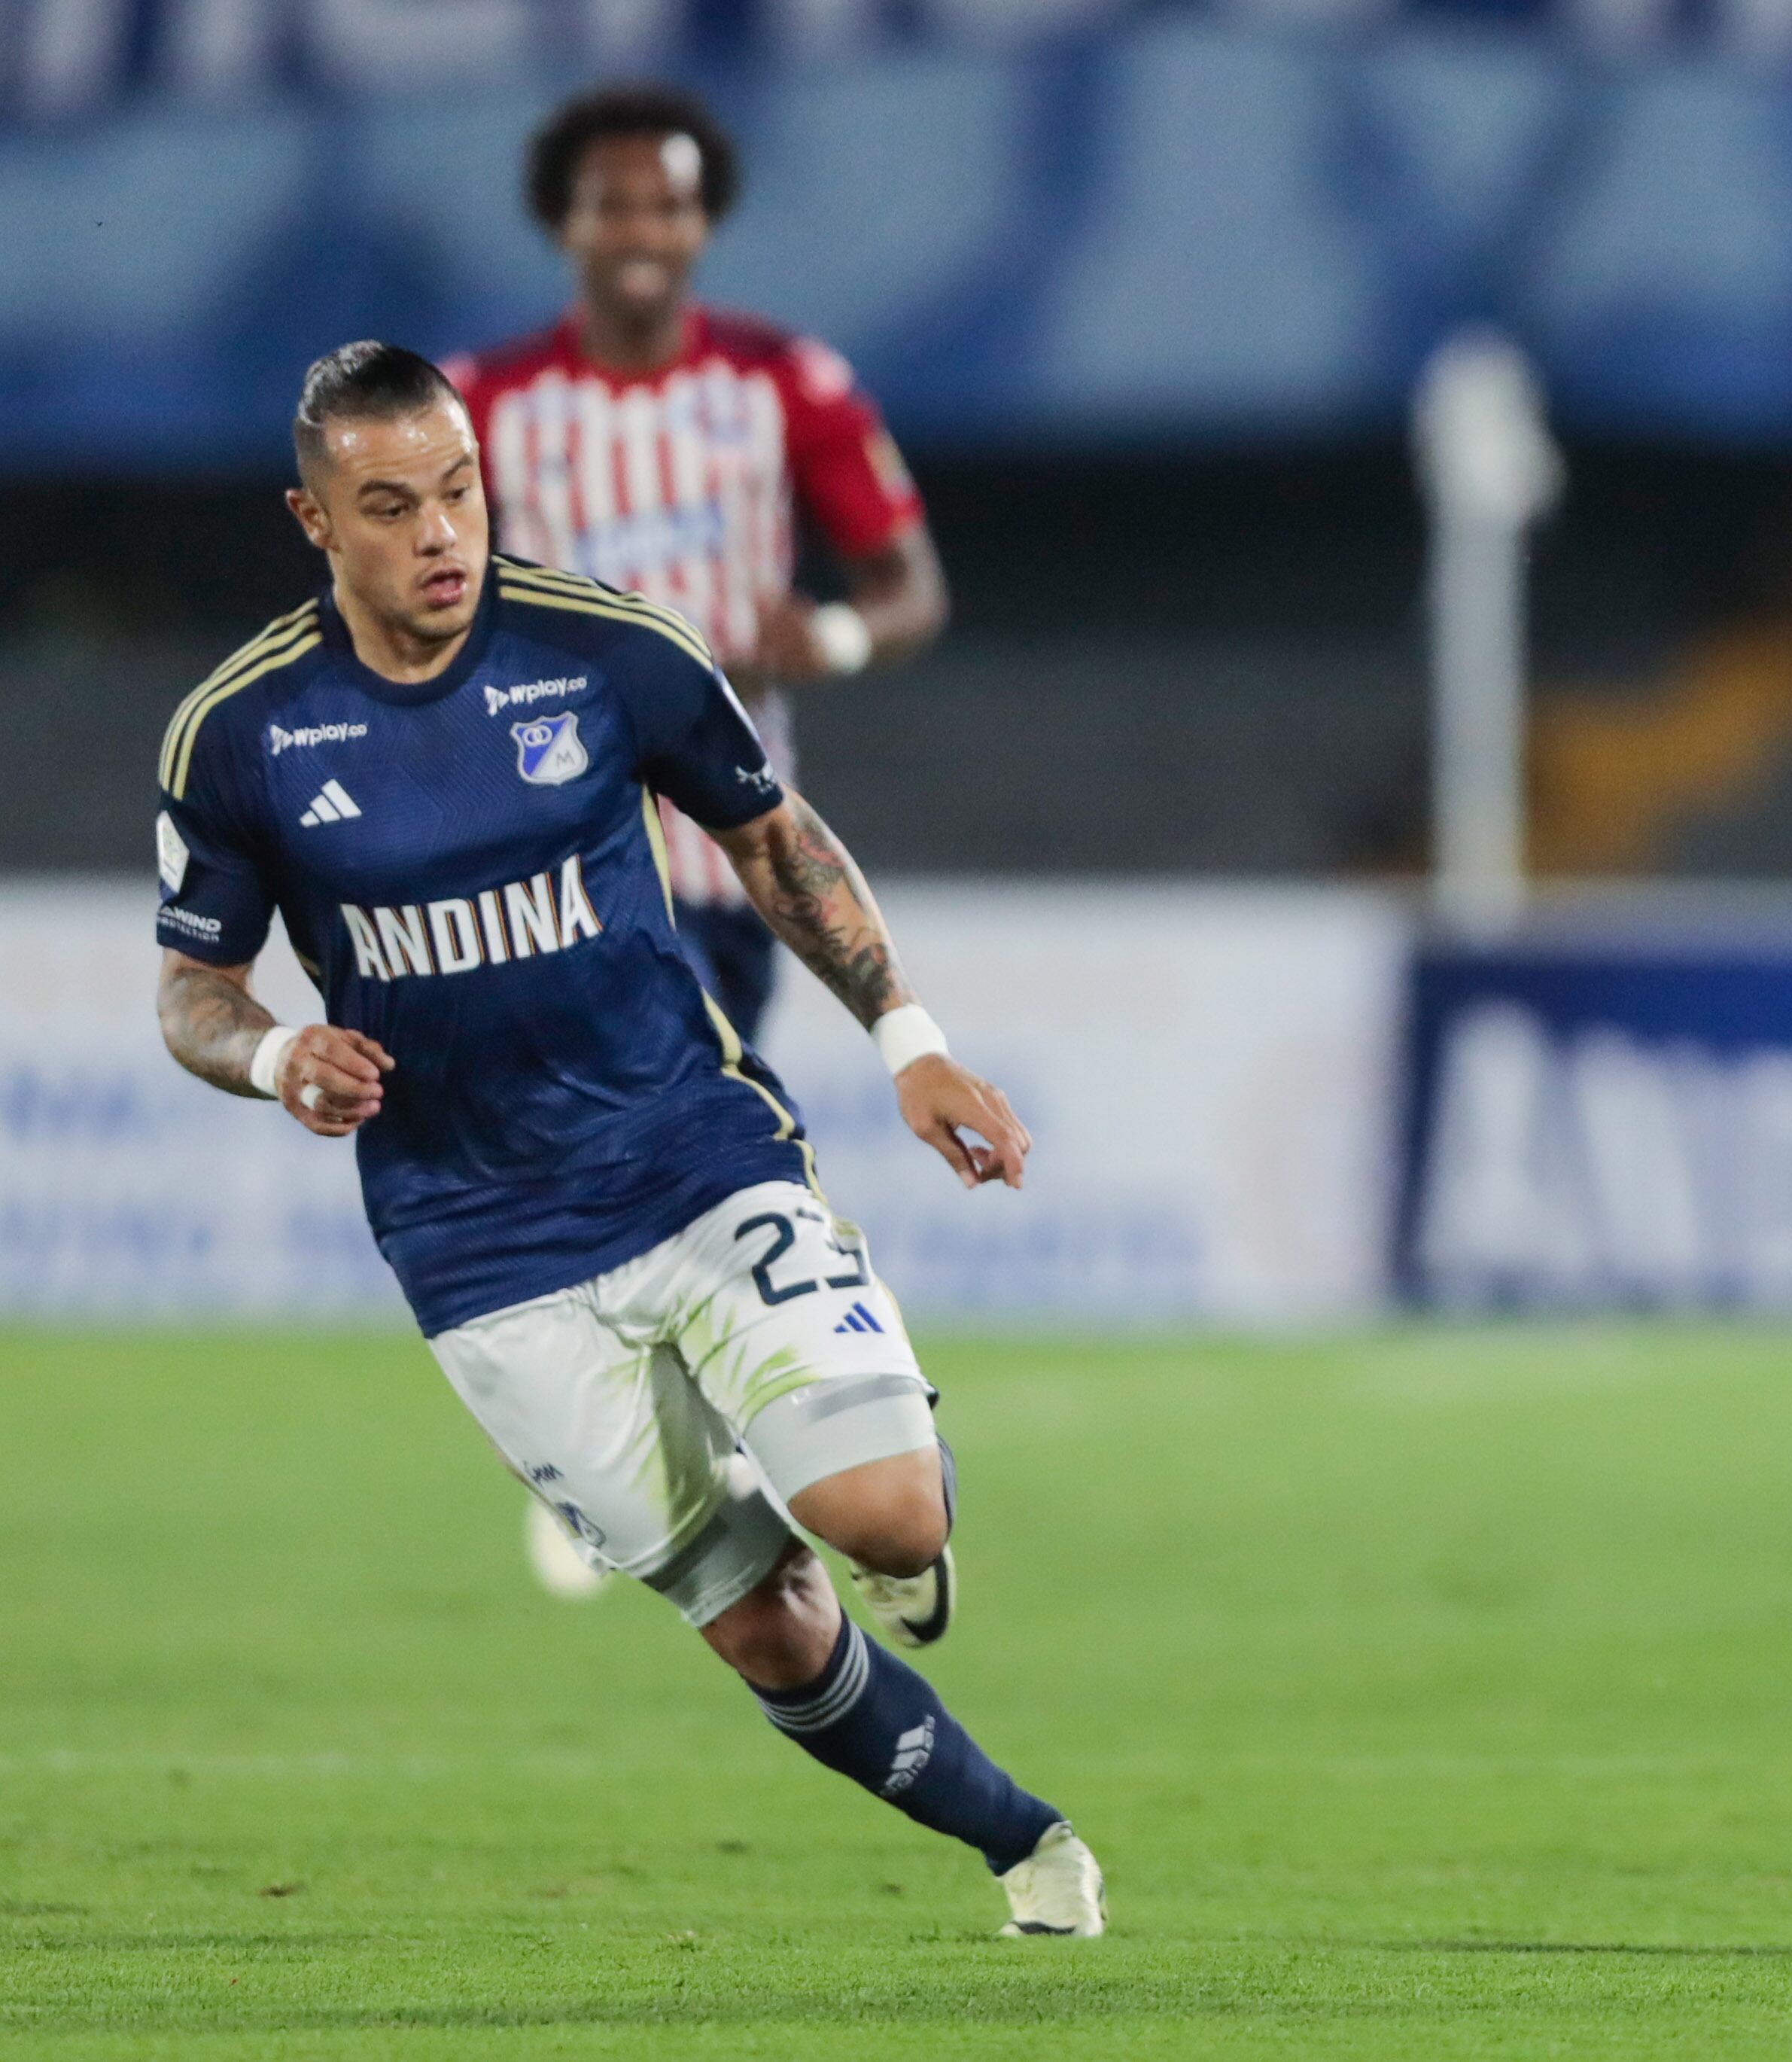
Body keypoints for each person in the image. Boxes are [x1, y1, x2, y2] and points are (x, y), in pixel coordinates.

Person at [151, 343, 1102, 1940]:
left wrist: (909, 1040)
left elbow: (772, 835)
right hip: (477, 1241)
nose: (441, 531)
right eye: (391, 506)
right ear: (315, 521)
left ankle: (867, 1460)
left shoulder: (601, 649)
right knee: (766, 1624)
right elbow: (192, 988)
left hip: (686, 1154)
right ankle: (1027, 1843)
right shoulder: (239, 731)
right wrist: (269, 1054)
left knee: (885, 1520)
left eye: (457, 488)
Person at [444, 82, 950, 1598]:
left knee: (688, 1144)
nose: (641, 231)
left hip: (721, 853)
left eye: (664, 201)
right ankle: (750, 1437)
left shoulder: (781, 383)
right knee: (608, 1152)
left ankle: (822, 1437)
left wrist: (841, 635)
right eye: (612, 204)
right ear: (566, 224)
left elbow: (910, 580)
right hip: (531, 860)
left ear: (700, 218)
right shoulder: (484, 401)